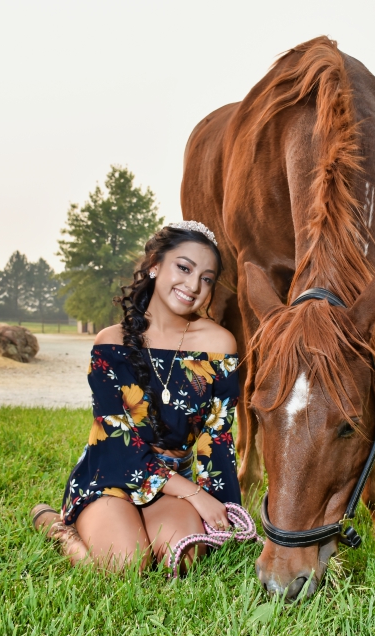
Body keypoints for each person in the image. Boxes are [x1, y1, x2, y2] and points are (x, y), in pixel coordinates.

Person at [31, 221, 241, 573]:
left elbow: (216, 436)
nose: (194, 286)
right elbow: (116, 441)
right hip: (112, 475)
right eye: (184, 268)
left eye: (206, 279)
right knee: (126, 564)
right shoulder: (110, 343)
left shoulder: (220, 344)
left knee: (183, 558)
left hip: (173, 482)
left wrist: (220, 506)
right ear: (155, 265)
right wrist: (193, 494)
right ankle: (58, 528)